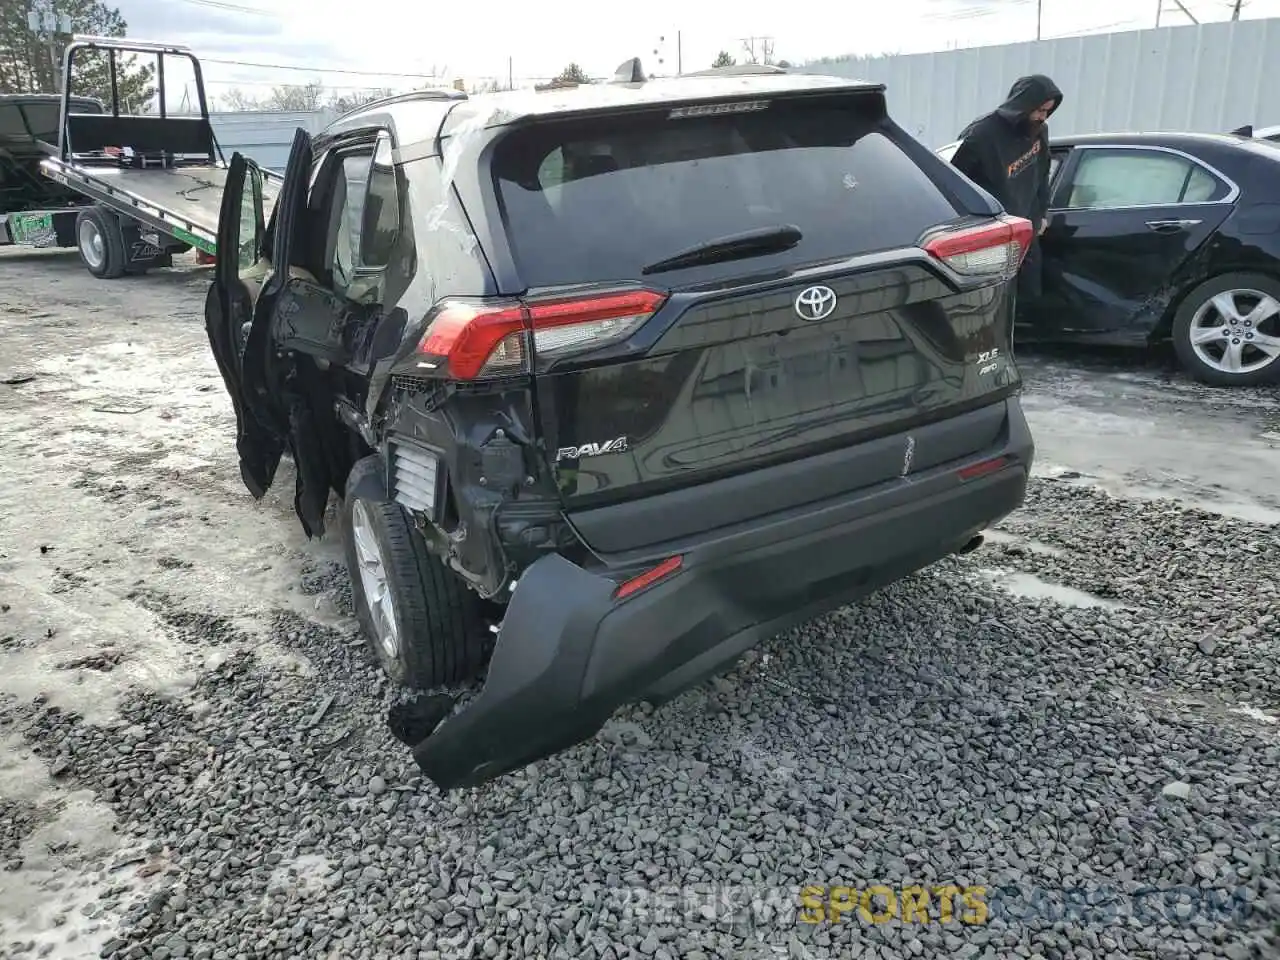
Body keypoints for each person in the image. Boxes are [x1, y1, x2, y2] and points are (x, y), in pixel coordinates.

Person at [950, 75, 1063, 304]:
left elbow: (1042, 173)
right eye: (1039, 110)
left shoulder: (1040, 130)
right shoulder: (981, 134)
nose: (1043, 117)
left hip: (1027, 229)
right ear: (1023, 104)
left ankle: (1026, 339)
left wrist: (1042, 214)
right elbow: (953, 182)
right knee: (995, 302)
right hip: (993, 234)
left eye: (1047, 111)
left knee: (1029, 297)